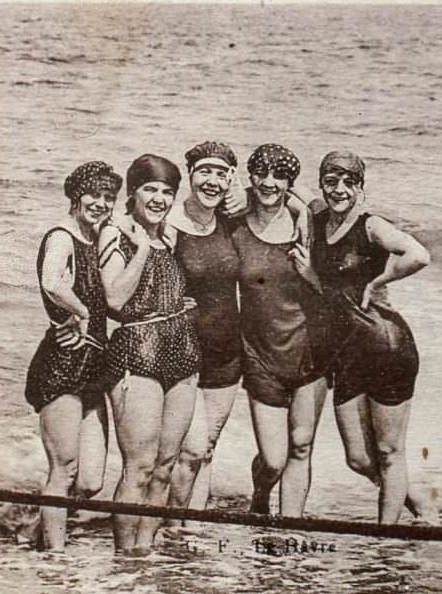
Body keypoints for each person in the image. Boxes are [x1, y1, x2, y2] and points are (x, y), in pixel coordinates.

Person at [308, 151, 431, 523]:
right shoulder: (318, 219)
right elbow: (284, 197)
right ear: (322, 184)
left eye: (349, 182)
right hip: (347, 351)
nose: (339, 189)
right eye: (332, 181)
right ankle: (422, 506)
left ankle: (387, 535)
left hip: (386, 345)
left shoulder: (371, 225)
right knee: (359, 458)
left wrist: (379, 280)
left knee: (389, 450)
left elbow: (418, 254)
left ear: (361, 187)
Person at [98, 154, 199, 554]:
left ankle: (147, 552)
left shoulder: (169, 236)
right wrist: (140, 248)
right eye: (150, 189)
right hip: (137, 352)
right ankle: (126, 557)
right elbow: (115, 298)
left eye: (167, 192)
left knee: (165, 466)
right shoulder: (115, 233)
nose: (158, 199)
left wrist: (177, 301)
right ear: (133, 192)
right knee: (138, 468)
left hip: (182, 351)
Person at [25, 161, 120, 551]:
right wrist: (80, 313)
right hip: (62, 362)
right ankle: (55, 562)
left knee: (91, 482)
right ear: (74, 195)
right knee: (63, 470)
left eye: (108, 198)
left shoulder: (95, 237)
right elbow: (51, 282)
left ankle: (36, 530)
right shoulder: (62, 236)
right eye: (93, 194)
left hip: (94, 365)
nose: (100, 203)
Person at [231, 144, 328, 517]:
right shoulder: (235, 226)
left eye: (280, 175)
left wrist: (311, 274)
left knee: (301, 445)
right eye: (262, 174)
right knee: (274, 459)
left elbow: (333, 292)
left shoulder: (310, 224)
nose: (269, 183)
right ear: (250, 176)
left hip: (309, 349)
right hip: (260, 353)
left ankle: (291, 530)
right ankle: (261, 492)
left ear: (291, 181)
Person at [165, 142, 244, 517]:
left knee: (206, 451)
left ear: (231, 178)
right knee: (191, 449)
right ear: (190, 175)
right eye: (204, 171)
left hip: (227, 354)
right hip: (182, 352)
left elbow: (296, 202)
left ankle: (190, 530)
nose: (212, 181)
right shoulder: (168, 223)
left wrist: (242, 189)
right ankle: (174, 524)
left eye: (221, 173)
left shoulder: (232, 220)